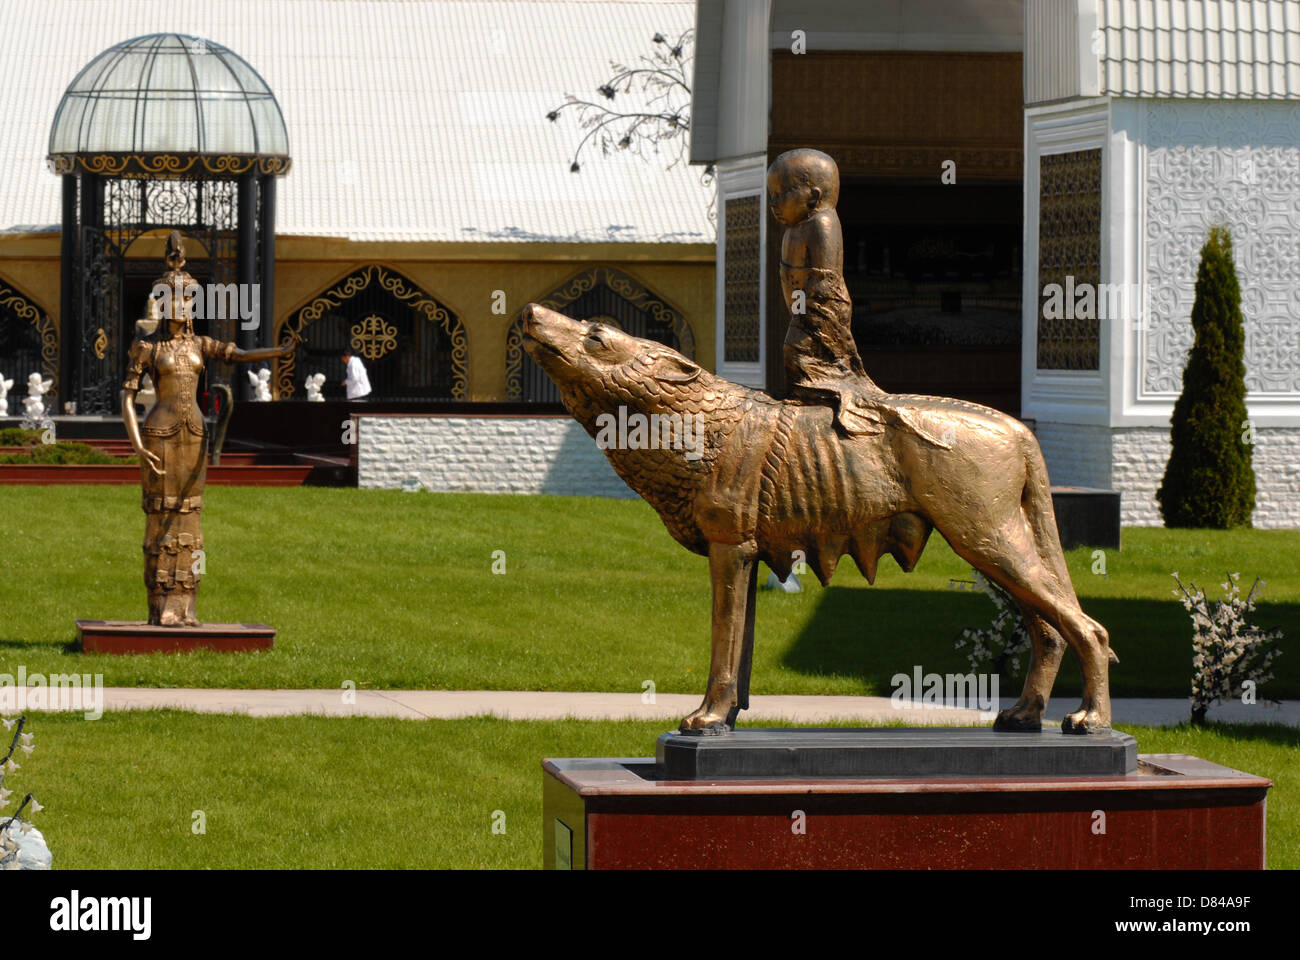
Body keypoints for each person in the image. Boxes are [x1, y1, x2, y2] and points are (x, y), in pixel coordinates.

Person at [121, 232, 301, 627]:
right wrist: (137, 445)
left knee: (191, 519)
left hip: (195, 438)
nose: (181, 307)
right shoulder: (148, 348)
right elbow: (127, 397)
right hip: (158, 437)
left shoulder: (199, 345)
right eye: (174, 300)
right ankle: (160, 607)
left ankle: (186, 607)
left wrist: (278, 351)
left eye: (187, 300)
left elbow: (238, 354)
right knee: (161, 518)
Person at [767, 148, 945, 445]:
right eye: (771, 194)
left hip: (823, 306)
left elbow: (826, 278)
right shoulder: (792, 232)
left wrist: (809, 314)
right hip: (800, 307)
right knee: (795, 354)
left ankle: (833, 399)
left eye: (782, 193)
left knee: (797, 352)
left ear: (813, 195)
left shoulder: (821, 223)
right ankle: (809, 395)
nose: (773, 203)